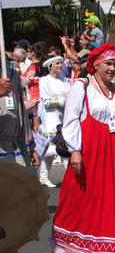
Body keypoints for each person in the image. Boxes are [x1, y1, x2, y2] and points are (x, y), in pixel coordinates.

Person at [51, 44, 115, 253]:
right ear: (95, 65)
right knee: (82, 197)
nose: (112, 68)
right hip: (90, 150)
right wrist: (75, 149)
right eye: (108, 64)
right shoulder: (82, 86)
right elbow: (71, 119)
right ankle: (68, 243)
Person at [0, 64, 38, 253]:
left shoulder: (10, 71)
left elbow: (21, 112)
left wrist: (29, 145)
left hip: (13, 146)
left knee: (10, 209)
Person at [36, 55, 70, 187]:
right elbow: (45, 101)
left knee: (64, 149)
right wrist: (62, 100)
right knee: (52, 151)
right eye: (57, 64)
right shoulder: (45, 81)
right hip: (51, 118)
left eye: (61, 64)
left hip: (64, 118)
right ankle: (44, 177)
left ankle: (71, 177)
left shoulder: (64, 80)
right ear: (50, 66)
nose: (60, 66)